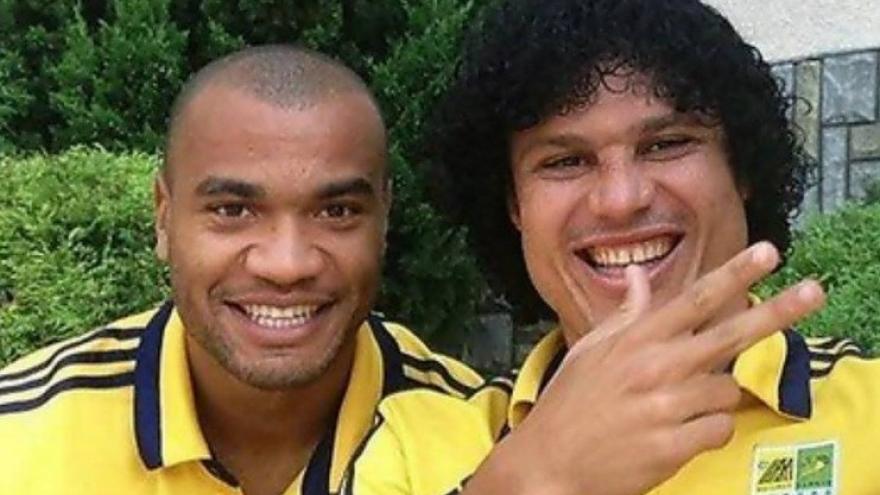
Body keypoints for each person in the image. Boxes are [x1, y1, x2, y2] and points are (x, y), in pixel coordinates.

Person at [0, 45, 501, 495]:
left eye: (337, 211)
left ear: (383, 220)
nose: (286, 265)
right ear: (163, 217)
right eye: (233, 210)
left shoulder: (488, 447)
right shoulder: (19, 438)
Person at [428, 0, 880, 493]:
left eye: (665, 145)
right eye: (565, 161)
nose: (621, 200)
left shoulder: (870, 413)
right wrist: (537, 475)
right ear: (514, 206)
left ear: (742, 170)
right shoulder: (421, 439)